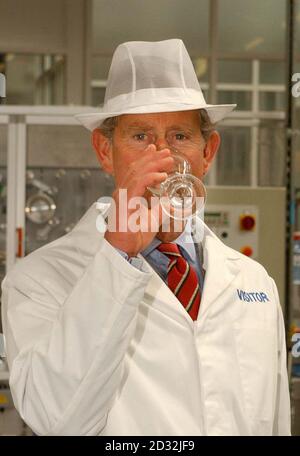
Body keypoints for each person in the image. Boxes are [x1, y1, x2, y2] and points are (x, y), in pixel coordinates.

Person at [1, 39, 290, 436]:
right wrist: (117, 256)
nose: (163, 157)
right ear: (105, 151)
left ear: (208, 153)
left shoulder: (255, 283)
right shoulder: (37, 281)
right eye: (140, 137)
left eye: (180, 136)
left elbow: (275, 422)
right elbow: (57, 421)